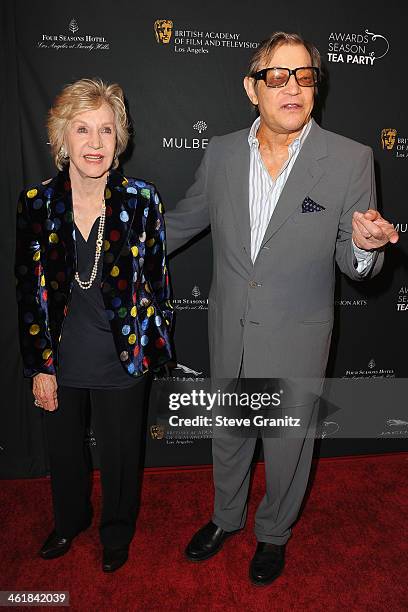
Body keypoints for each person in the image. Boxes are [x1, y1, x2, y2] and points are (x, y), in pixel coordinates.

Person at [164, 32, 398, 586]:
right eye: (278, 76)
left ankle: (273, 533)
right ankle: (226, 518)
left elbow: (352, 254)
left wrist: (365, 248)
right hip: (229, 325)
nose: (293, 87)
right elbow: (182, 221)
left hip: (298, 332)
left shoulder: (349, 159)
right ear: (253, 88)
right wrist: (111, 237)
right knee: (231, 433)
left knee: (288, 445)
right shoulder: (221, 151)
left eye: (305, 76)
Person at [15, 78, 173, 572]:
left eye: (106, 130)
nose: (95, 142)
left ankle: (117, 530)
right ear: (62, 139)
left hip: (122, 358)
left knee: (122, 456)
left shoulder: (142, 200)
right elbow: (29, 292)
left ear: (119, 139)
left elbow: (158, 283)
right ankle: (69, 522)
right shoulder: (37, 203)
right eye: (82, 129)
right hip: (61, 359)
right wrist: (40, 366)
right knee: (64, 454)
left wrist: (151, 349)